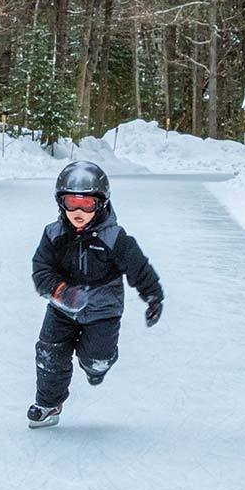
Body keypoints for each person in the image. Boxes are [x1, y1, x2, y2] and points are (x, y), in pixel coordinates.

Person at [27, 160, 163, 428]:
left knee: (96, 359)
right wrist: (60, 291)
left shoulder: (114, 238)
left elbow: (139, 268)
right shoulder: (53, 234)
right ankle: (48, 403)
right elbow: (40, 270)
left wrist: (153, 296)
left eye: (87, 204)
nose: (78, 211)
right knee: (49, 353)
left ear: (100, 204)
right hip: (62, 310)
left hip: (103, 312)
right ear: (60, 203)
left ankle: (98, 364)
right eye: (71, 203)